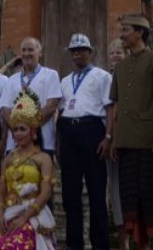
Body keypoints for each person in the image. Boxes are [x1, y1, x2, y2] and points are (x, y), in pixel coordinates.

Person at [110, 15, 153, 250]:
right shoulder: (121, 67)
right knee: (131, 201)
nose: (122, 35)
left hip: (149, 139)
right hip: (126, 141)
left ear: (140, 33)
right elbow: (116, 106)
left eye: (125, 30)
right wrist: (115, 138)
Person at [57, 33, 112, 250]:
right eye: (74, 50)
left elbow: (110, 108)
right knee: (71, 193)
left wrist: (108, 137)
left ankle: (100, 244)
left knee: (97, 190)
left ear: (90, 52)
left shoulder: (102, 76)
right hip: (69, 131)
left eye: (81, 50)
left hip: (93, 130)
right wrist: (59, 143)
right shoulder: (65, 81)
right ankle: (74, 243)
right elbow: (60, 113)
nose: (77, 53)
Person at [0, 89, 57, 249]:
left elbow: (45, 193)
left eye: (22, 129)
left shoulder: (43, 158)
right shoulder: (8, 158)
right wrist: (0, 213)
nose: (18, 134)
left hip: (33, 214)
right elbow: (1, 191)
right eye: (15, 130)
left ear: (33, 132)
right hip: (9, 212)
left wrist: (24, 217)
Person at [0, 37, 62, 156]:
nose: (26, 53)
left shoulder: (50, 75)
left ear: (40, 53)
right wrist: (18, 130)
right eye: (24, 50)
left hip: (43, 139)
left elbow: (51, 105)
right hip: (15, 142)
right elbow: (5, 109)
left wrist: (29, 129)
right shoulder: (11, 80)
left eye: (31, 50)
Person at [106, 37, 129, 250]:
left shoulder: (132, 76)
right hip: (108, 139)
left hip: (129, 138)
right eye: (112, 53)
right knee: (112, 188)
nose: (115, 56)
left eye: (119, 52)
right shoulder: (105, 78)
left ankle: (127, 238)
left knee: (127, 189)